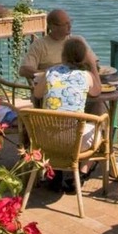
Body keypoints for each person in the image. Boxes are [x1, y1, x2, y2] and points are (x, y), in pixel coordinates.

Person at [32, 36, 102, 192]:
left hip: (45, 140)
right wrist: (92, 64)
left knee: (56, 125)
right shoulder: (86, 76)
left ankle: (55, 172)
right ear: (83, 56)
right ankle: (82, 173)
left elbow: (37, 94)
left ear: (63, 55)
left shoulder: (50, 72)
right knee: (99, 128)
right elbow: (97, 91)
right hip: (73, 142)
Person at [19, 9, 98, 81]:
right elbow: (24, 70)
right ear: (53, 27)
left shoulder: (77, 41)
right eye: (66, 24)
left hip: (77, 84)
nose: (70, 26)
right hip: (51, 88)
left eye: (70, 22)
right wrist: (52, 73)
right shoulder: (39, 45)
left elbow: (94, 63)